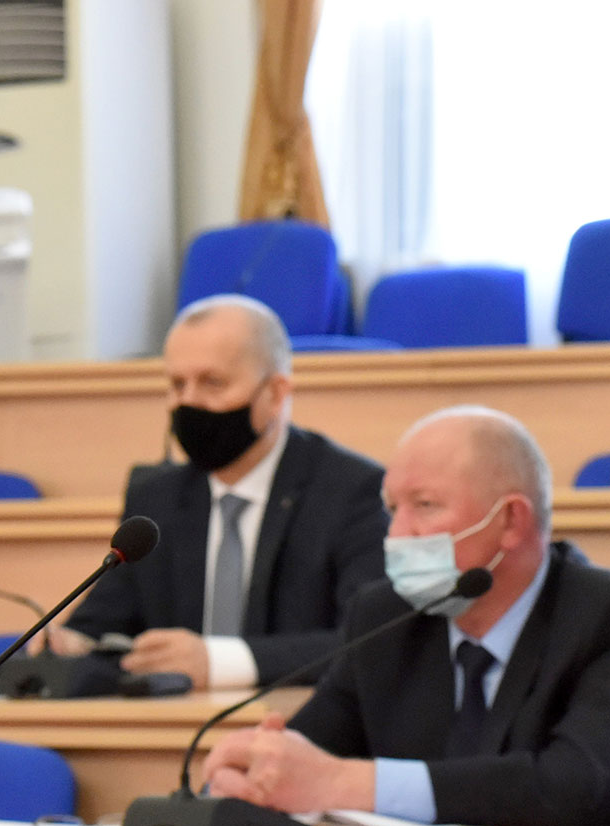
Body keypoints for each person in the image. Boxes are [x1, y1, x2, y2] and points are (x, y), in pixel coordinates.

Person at [202, 405, 610, 826]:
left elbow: (570, 784)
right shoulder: (385, 618)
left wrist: (345, 782)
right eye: (392, 508)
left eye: (424, 506)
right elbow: (309, 752)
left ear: (511, 520)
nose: (397, 534)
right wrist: (253, 773)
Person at [58, 295, 387, 689]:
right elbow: (99, 628)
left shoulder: (350, 491)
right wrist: (69, 645)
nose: (189, 402)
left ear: (275, 393)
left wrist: (218, 661)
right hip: (172, 721)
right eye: (177, 384)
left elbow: (368, 640)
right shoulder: (156, 499)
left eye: (212, 383)